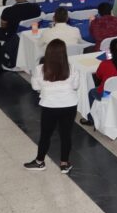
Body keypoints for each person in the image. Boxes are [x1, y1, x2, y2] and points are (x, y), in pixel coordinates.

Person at [24, 39, 81, 173]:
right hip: (69, 105)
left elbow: (35, 87)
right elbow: (75, 86)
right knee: (66, 135)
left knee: (45, 135)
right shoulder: (71, 68)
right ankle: (64, 164)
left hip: (49, 106)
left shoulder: (40, 69)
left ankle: (39, 162)